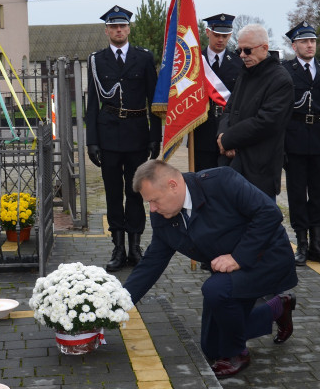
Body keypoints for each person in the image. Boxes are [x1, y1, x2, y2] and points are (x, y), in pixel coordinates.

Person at [123, 160, 298, 377]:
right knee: (212, 348)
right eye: (149, 203)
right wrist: (118, 304)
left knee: (215, 290)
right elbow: (151, 263)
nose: (153, 209)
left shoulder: (221, 181)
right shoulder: (162, 215)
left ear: (173, 185)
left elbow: (269, 213)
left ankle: (237, 354)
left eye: (155, 201)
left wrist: (238, 257)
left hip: (267, 257)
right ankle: (278, 307)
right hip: (230, 270)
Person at [86, 5, 162, 273]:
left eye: (123, 26)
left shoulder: (143, 58)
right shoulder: (96, 60)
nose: (119, 30)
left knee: (136, 191)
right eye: (113, 26)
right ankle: (117, 248)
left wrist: (156, 136)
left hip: (137, 133)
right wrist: (91, 141)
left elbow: (154, 100)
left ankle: (135, 246)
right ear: (107, 30)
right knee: (112, 193)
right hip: (107, 135)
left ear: (129, 29)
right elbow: (93, 102)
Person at [282, 22, 320, 267]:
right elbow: (282, 112)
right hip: (294, 141)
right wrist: (281, 146)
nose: (310, 45)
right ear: (294, 45)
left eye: (313, 41)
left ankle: (318, 244)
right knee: (297, 194)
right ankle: (302, 244)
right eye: (305, 42)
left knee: (319, 193)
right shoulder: (285, 70)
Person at [216, 24, 294, 199]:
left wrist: (229, 139)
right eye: (239, 51)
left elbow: (266, 122)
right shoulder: (245, 73)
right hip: (232, 161)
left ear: (264, 48)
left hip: (259, 168)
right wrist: (222, 136)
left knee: (258, 221)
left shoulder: (280, 79)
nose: (242, 56)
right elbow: (229, 110)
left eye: (247, 50)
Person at [192, 13, 242, 172]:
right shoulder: (194, 62)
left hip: (229, 131)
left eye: (225, 36)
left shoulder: (239, 63)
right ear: (207, 33)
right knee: (202, 183)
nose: (221, 40)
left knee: (226, 185)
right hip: (201, 131)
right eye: (216, 35)